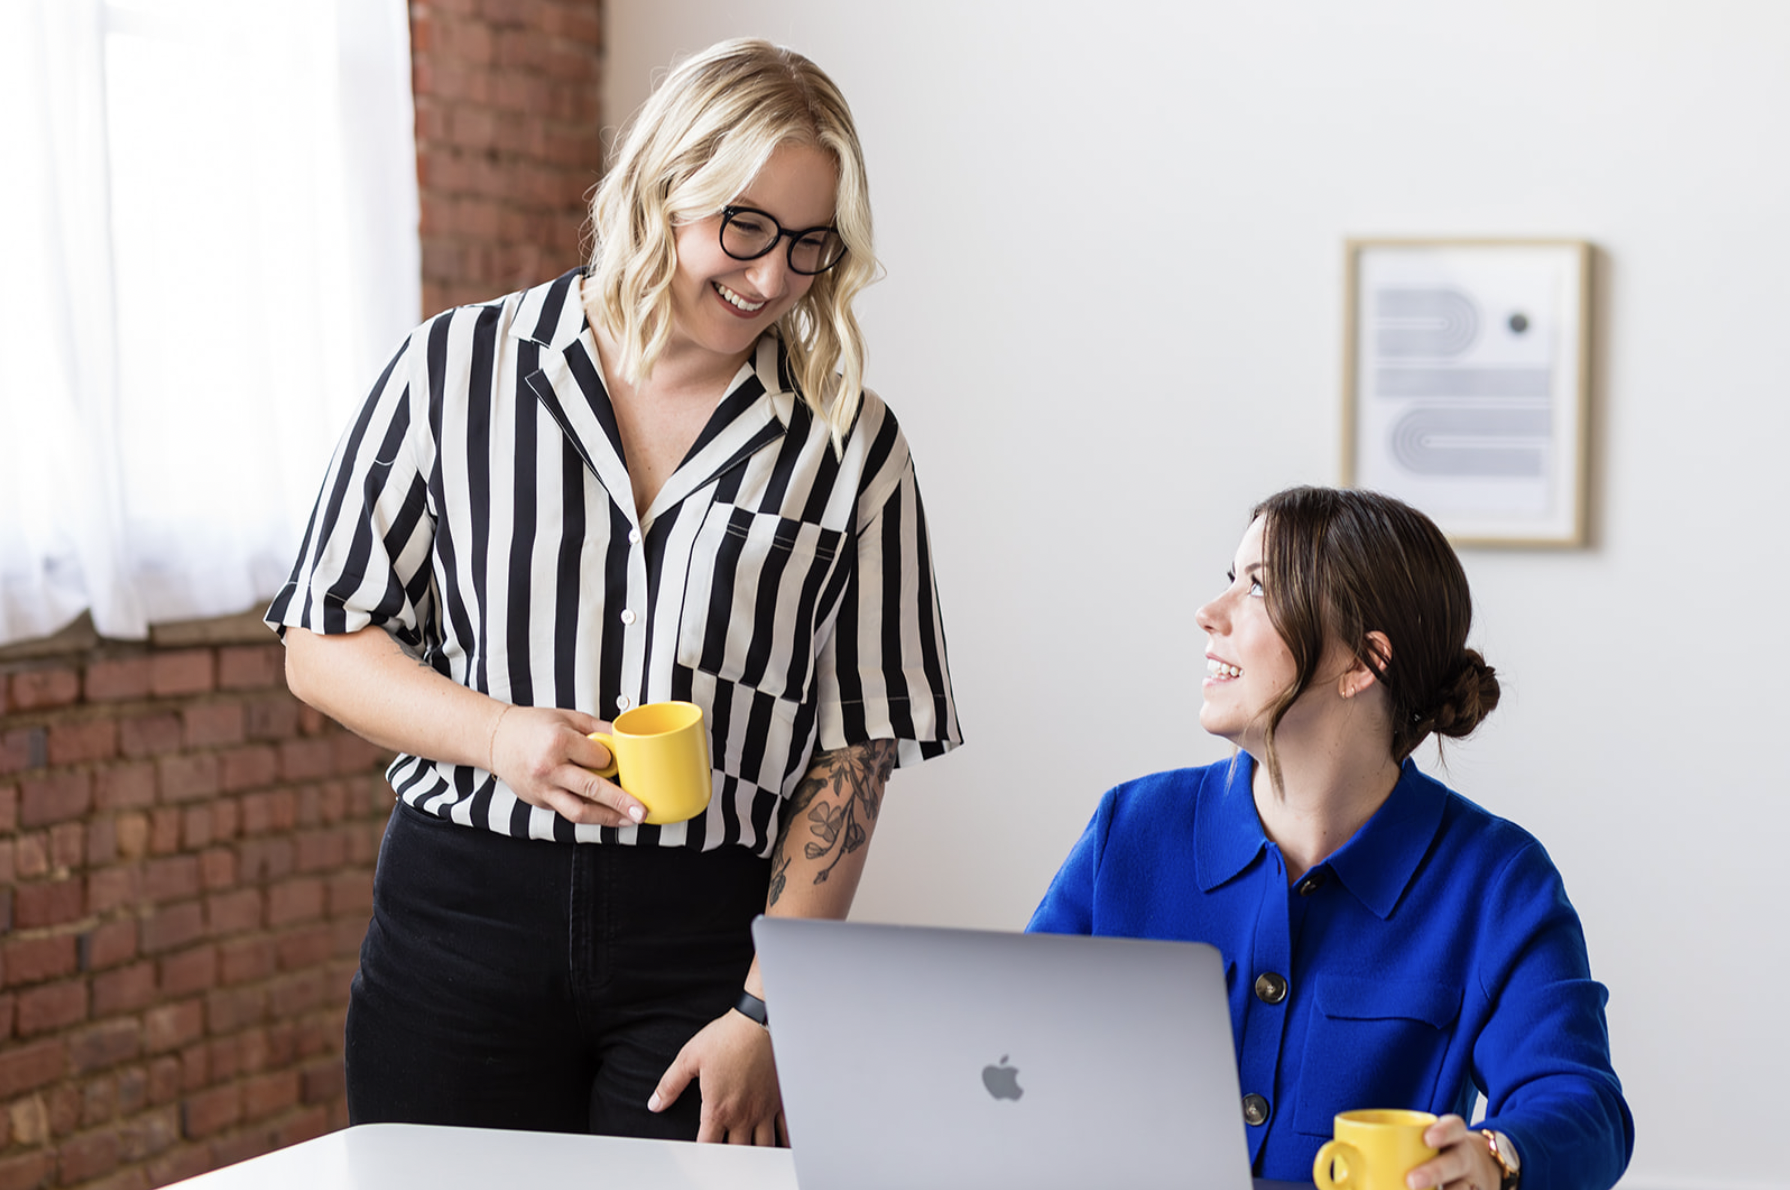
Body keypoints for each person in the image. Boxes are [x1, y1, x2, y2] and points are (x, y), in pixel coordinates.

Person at [266, 38, 960, 1145]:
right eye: (744, 227)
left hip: (704, 941)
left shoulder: (849, 446)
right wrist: (498, 734)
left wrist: (766, 1006)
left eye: (809, 245)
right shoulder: (452, 372)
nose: (773, 276)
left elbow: (856, 747)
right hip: (456, 920)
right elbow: (322, 636)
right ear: (661, 187)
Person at [1029, 487, 1631, 1190]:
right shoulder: (1128, 831)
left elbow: (1583, 1105)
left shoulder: (1498, 881)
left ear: (1362, 663)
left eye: (1257, 587)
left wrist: (1496, 1157)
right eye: (1232, 579)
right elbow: (1009, 1046)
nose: (1210, 613)